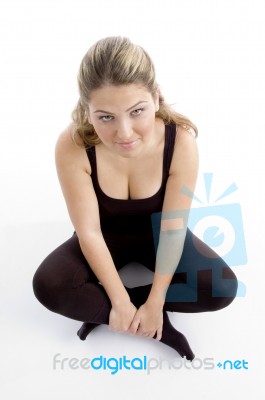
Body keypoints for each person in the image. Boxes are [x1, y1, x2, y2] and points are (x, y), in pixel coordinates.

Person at [32, 36, 238, 361]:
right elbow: (89, 232)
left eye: (136, 111)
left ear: (156, 98)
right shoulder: (72, 145)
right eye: (105, 117)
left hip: (162, 237)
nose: (125, 132)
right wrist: (118, 300)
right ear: (87, 112)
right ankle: (127, 314)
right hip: (103, 238)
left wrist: (155, 303)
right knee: (49, 285)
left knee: (222, 289)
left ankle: (138, 315)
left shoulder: (180, 143)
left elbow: (172, 229)